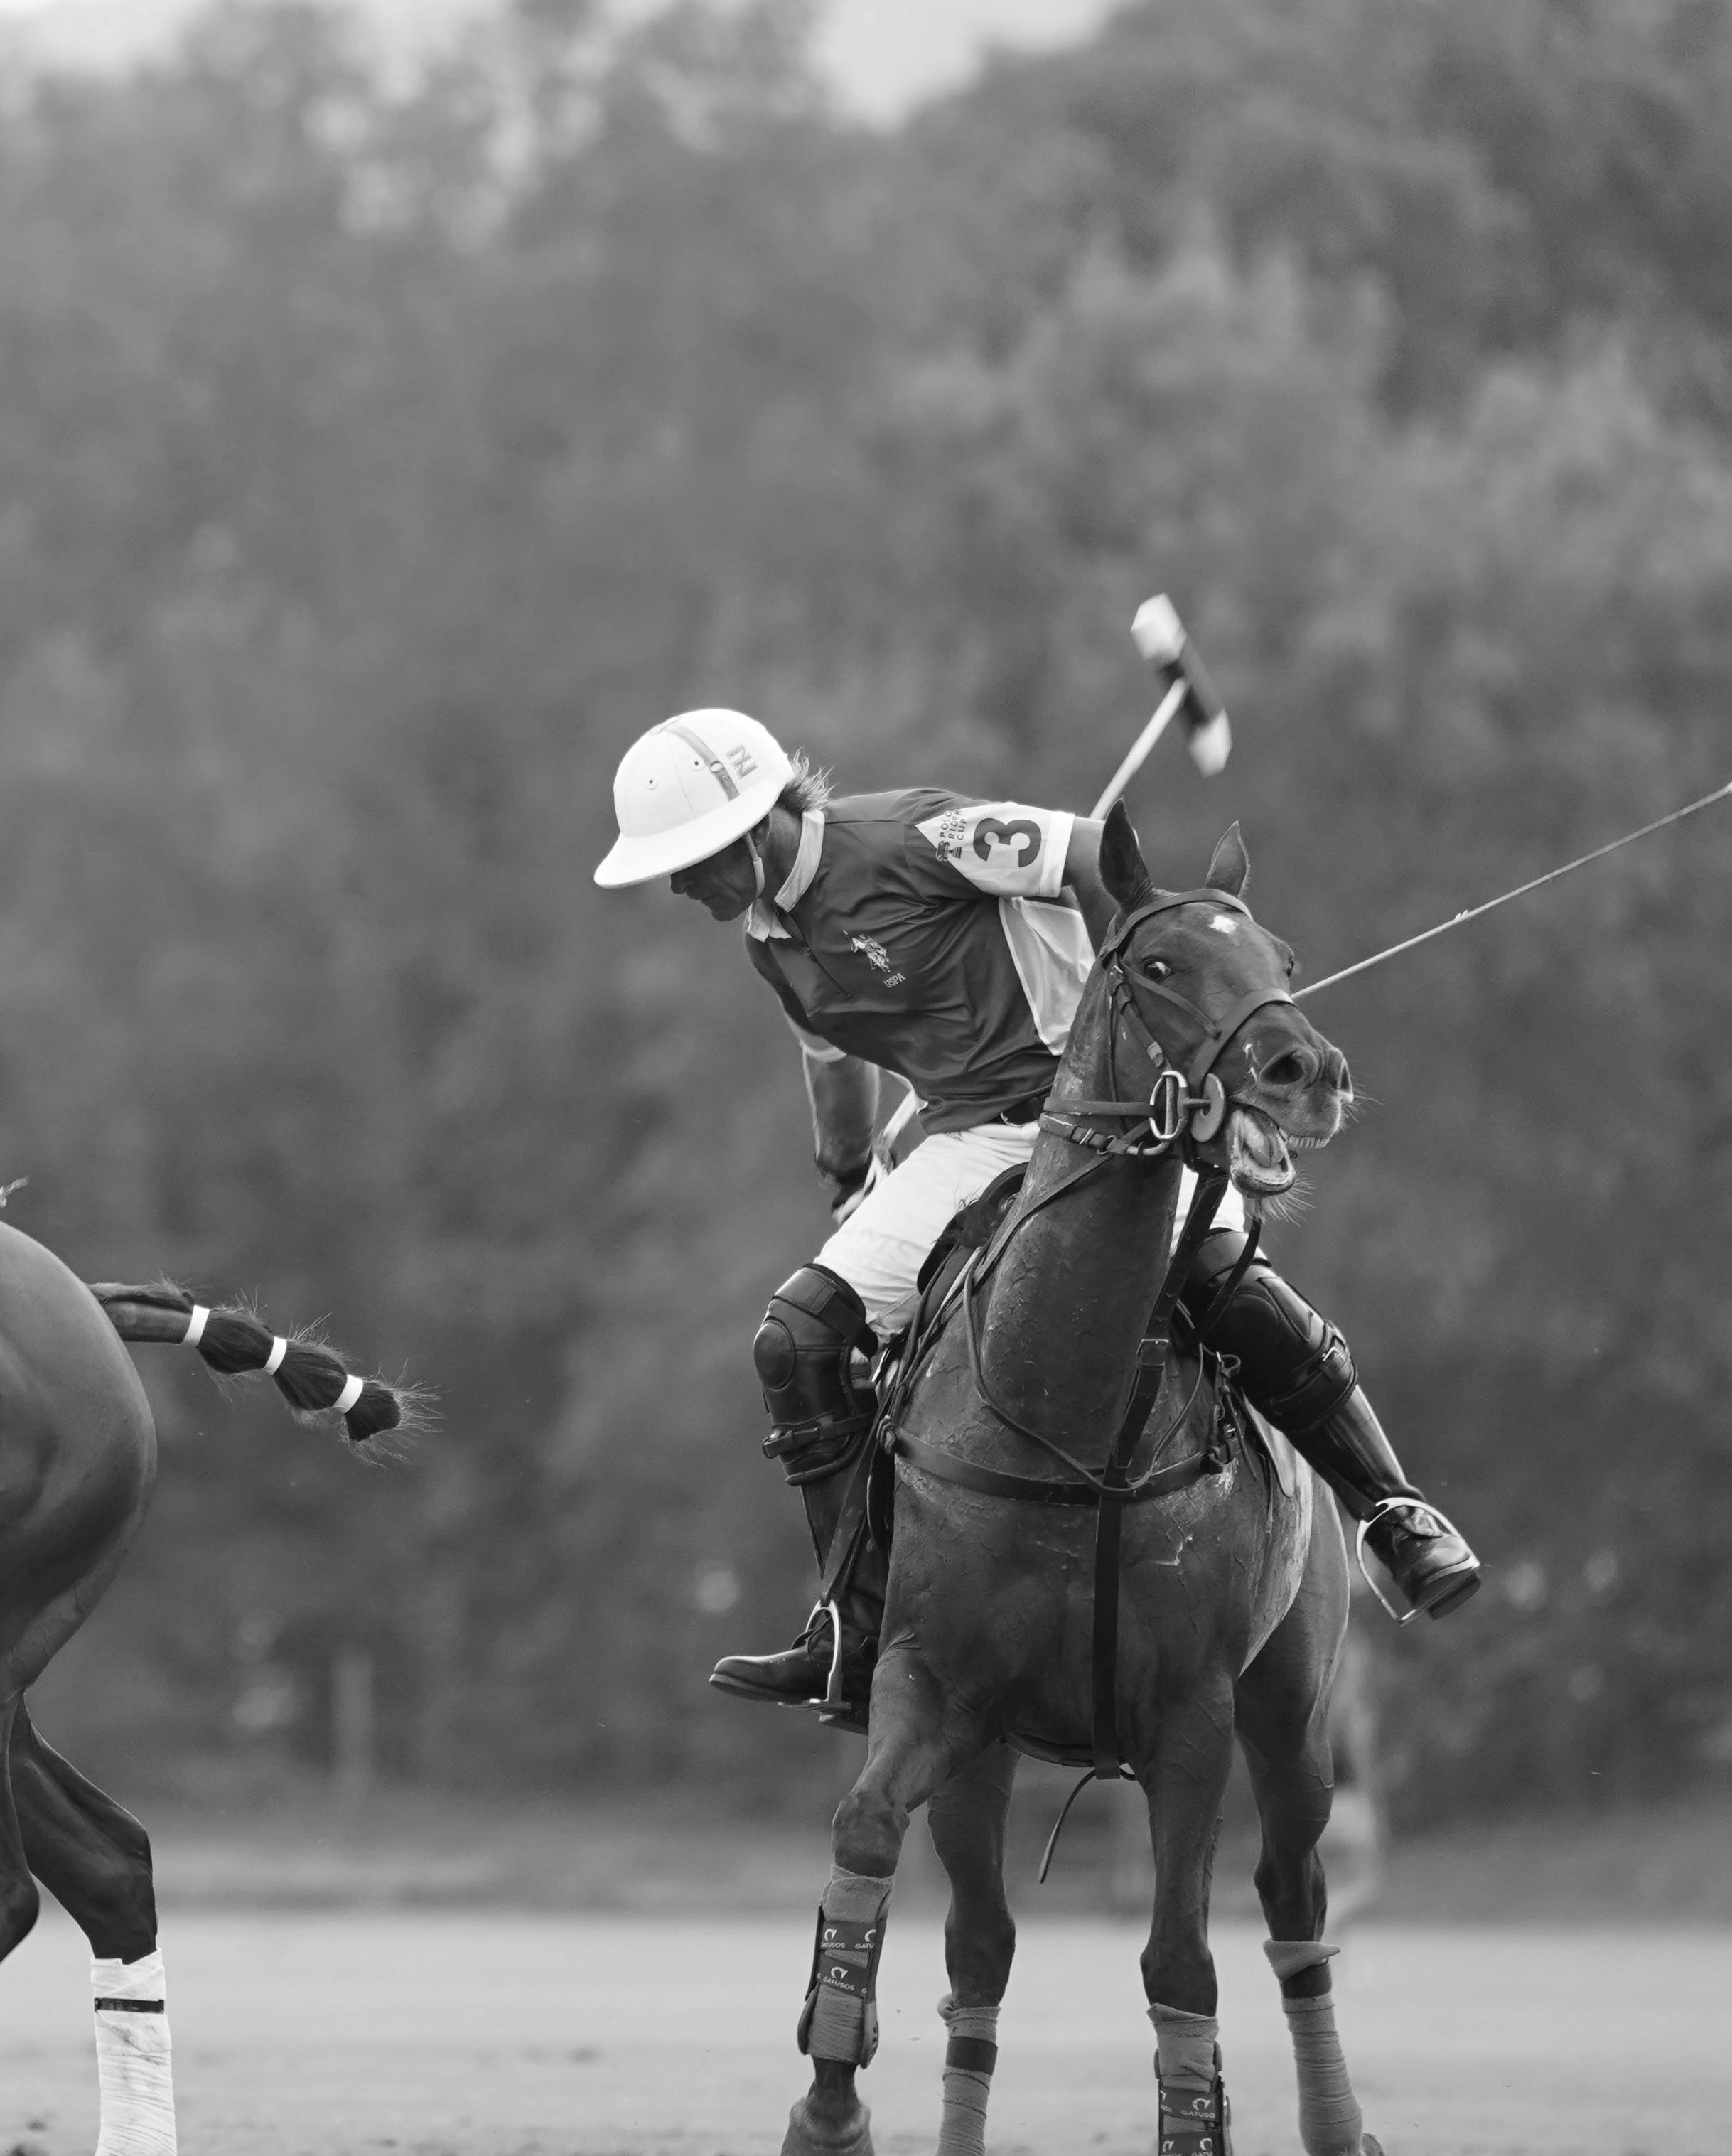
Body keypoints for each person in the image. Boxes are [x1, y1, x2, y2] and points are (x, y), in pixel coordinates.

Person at [590, 707, 1480, 1725]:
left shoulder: (913, 838)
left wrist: (1151, 1046)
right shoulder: (767, 936)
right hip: (965, 1140)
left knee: (1223, 1282)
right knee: (796, 1342)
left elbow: (1099, 859)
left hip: (1100, 1108)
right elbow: (830, 1055)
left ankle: (1394, 1515)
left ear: (754, 830)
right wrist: (845, 1167)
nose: (676, 885)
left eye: (690, 858)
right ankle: (854, 1625)